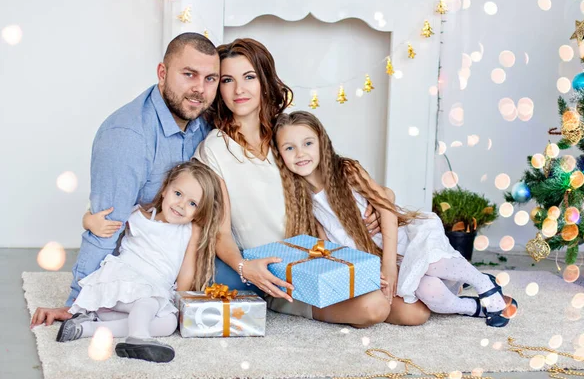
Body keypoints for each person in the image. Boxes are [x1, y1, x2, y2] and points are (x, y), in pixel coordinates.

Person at [194, 38, 428, 327]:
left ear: (264, 81)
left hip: (323, 257)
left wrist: (378, 205)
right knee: (375, 308)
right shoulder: (215, 148)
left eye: (249, 77)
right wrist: (245, 268)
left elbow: (336, 177)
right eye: (228, 80)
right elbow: (220, 232)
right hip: (281, 275)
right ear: (218, 87)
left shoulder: (285, 135)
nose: (239, 89)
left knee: (415, 312)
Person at [30, 32, 220, 326]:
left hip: (181, 256)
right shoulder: (126, 139)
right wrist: (77, 302)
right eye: (189, 74)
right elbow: (106, 226)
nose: (200, 89)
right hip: (136, 266)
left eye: (211, 79)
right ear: (162, 73)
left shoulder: (202, 119)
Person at [272, 111, 519, 328]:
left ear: (321, 143)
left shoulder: (345, 171)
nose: (300, 153)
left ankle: (483, 283)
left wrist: (389, 265)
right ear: (280, 154)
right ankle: (471, 307)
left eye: (307, 143)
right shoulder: (303, 199)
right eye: (289, 148)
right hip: (371, 260)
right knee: (424, 296)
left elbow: (386, 208)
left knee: (429, 261)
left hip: (397, 244)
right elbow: (329, 248)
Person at [55, 161, 224, 363]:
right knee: (147, 302)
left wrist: (178, 298)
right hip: (118, 286)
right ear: (165, 190)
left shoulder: (189, 230)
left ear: (200, 211)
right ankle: (139, 337)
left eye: (192, 203)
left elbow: (187, 269)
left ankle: (85, 328)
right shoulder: (138, 215)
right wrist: (88, 221)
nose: (181, 205)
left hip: (124, 308)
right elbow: (100, 216)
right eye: (177, 194)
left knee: (169, 323)